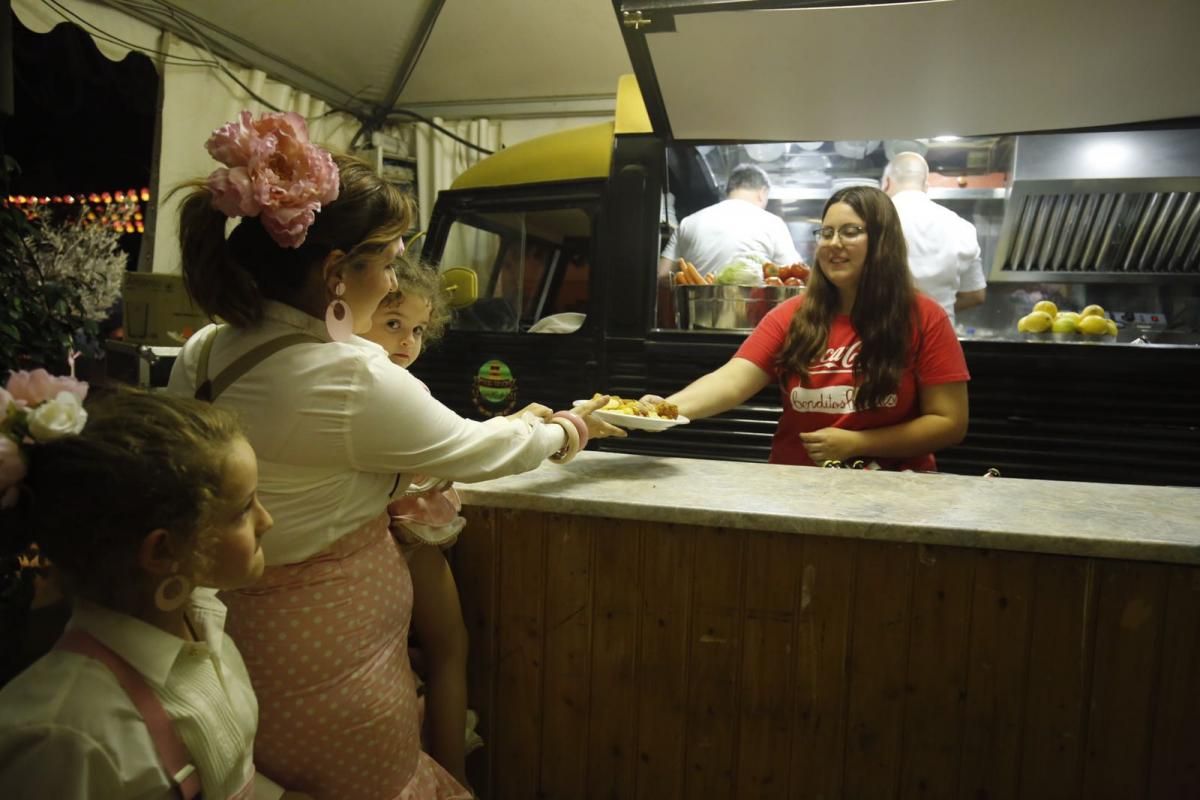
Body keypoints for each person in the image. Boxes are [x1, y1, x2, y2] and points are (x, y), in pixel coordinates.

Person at [166, 110, 623, 800]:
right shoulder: (349, 375)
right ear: (335, 272)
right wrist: (570, 429)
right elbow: (473, 450)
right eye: (384, 259)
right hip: (329, 662)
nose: (390, 280)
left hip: (237, 640)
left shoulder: (207, 346)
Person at [0, 384, 307, 799]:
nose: (267, 520)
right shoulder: (66, 738)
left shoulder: (202, 623)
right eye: (243, 508)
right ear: (163, 551)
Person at [646, 186, 970, 471]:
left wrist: (860, 443)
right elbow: (732, 380)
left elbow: (949, 423)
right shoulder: (791, 315)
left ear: (883, 240)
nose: (833, 243)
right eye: (826, 233)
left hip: (896, 490)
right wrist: (666, 409)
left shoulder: (925, 317)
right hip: (797, 487)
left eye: (850, 231)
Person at [361, 257, 499, 787]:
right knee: (449, 646)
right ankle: (453, 777)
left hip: (380, 541)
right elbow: (458, 451)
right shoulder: (384, 386)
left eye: (417, 330)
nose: (407, 342)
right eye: (392, 323)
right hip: (405, 535)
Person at [881, 151, 987, 325]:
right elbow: (976, 295)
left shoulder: (872, 221)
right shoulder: (961, 226)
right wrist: (937, 310)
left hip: (883, 337)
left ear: (886, 183)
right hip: (940, 337)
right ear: (925, 185)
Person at [658, 162, 802, 279]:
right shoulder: (773, 223)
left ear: (729, 190)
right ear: (762, 193)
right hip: (756, 312)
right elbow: (795, 272)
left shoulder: (688, 222)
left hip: (699, 311)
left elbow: (662, 274)